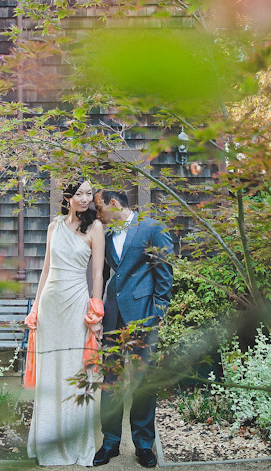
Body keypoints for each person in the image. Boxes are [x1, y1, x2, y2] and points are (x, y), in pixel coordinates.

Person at [25, 180, 106, 466]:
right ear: (69, 197)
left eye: (89, 194)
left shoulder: (95, 228)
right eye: (80, 194)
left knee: (74, 373)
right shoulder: (53, 226)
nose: (86, 199)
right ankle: (47, 443)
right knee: (50, 372)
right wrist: (35, 309)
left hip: (76, 304)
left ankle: (74, 444)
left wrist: (95, 315)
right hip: (50, 305)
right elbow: (45, 270)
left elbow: (97, 275)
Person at [92, 189, 174, 469]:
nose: (98, 215)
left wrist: (158, 314)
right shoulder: (104, 236)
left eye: (100, 209)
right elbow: (101, 277)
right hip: (113, 316)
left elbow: (164, 273)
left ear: (113, 204)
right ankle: (110, 442)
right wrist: (97, 313)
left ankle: (143, 444)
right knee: (110, 382)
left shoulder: (152, 228)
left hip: (143, 316)